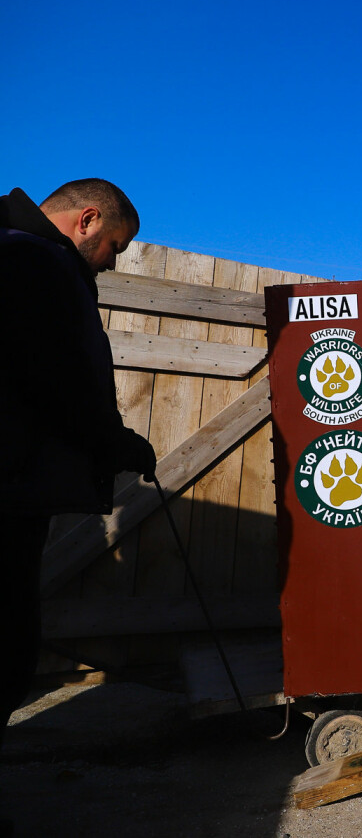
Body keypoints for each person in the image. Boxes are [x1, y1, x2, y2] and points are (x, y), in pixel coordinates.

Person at [0, 180, 157, 753]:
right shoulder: (30, 258)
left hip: (15, 484)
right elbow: (53, 379)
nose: (113, 262)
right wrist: (114, 443)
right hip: (9, 489)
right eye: (114, 244)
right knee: (9, 654)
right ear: (87, 220)